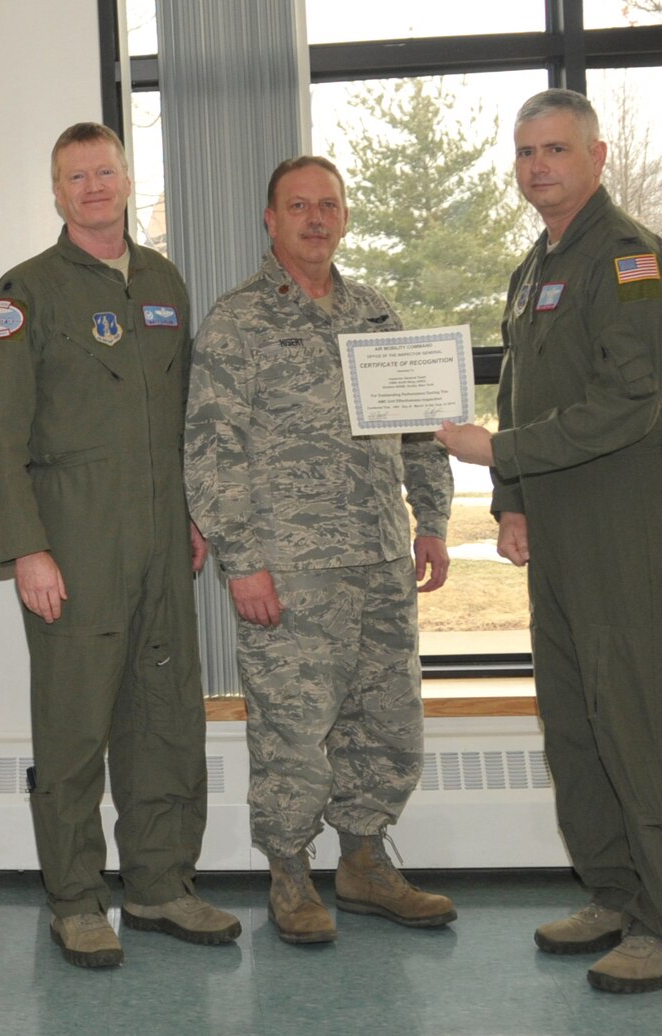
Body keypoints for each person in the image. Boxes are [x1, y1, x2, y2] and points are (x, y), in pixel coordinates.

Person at [437, 88, 662, 994]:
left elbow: (628, 405)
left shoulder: (629, 259)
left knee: (642, 714)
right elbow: (526, 386)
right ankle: (616, 892)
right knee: (576, 719)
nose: (538, 167)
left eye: (556, 149)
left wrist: (503, 451)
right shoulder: (539, 264)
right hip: (557, 521)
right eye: (524, 152)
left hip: (626, 520)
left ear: (597, 158)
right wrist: (510, 495)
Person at [0, 122, 236, 969]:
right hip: (74, 543)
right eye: (75, 176)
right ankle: (77, 899)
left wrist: (195, 513)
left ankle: (161, 886)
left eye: (105, 171)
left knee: (163, 721)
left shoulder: (164, 282)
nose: (93, 187)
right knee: (74, 730)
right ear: (56, 192)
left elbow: (189, 411)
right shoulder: (25, 292)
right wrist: (26, 550)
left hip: (162, 539)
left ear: (126, 179)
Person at [184, 156, 457, 945]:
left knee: (388, 721)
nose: (314, 218)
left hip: (378, 559)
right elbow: (209, 450)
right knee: (292, 733)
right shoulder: (238, 323)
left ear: (344, 217)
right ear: (269, 221)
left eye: (327, 205)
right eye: (297, 206)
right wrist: (244, 561)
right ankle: (291, 875)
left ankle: (366, 863)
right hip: (290, 568)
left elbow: (422, 427)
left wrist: (431, 520)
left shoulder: (375, 315)